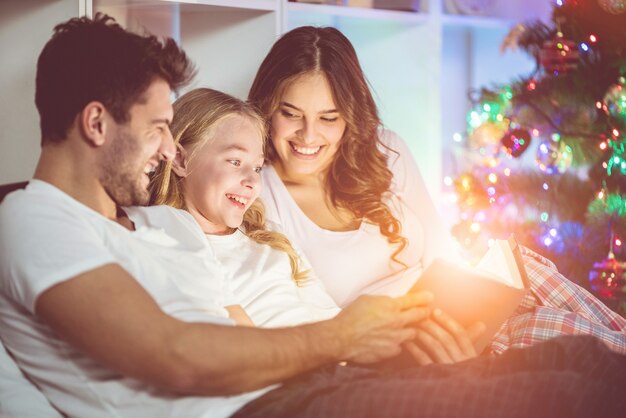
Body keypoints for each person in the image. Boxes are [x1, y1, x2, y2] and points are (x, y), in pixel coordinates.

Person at [1, 13, 626, 418]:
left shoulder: (158, 225)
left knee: (586, 362)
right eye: (160, 128)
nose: (171, 149)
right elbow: (176, 355)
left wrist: (378, 347)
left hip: (313, 384)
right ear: (94, 123)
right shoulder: (34, 220)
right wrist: (341, 337)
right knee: (576, 390)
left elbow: (238, 315)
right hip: (274, 407)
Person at [248, 25, 626, 355]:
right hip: (415, 342)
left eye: (328, 118)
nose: (309, 136)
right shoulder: (259, 193)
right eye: (291, 114)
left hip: (465, 308)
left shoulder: (383, 149)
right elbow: (303, 321)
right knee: (577, 345)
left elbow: (441, 251)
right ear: (267, 107)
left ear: (349, 116)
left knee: (604, 330)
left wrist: (471, 304)